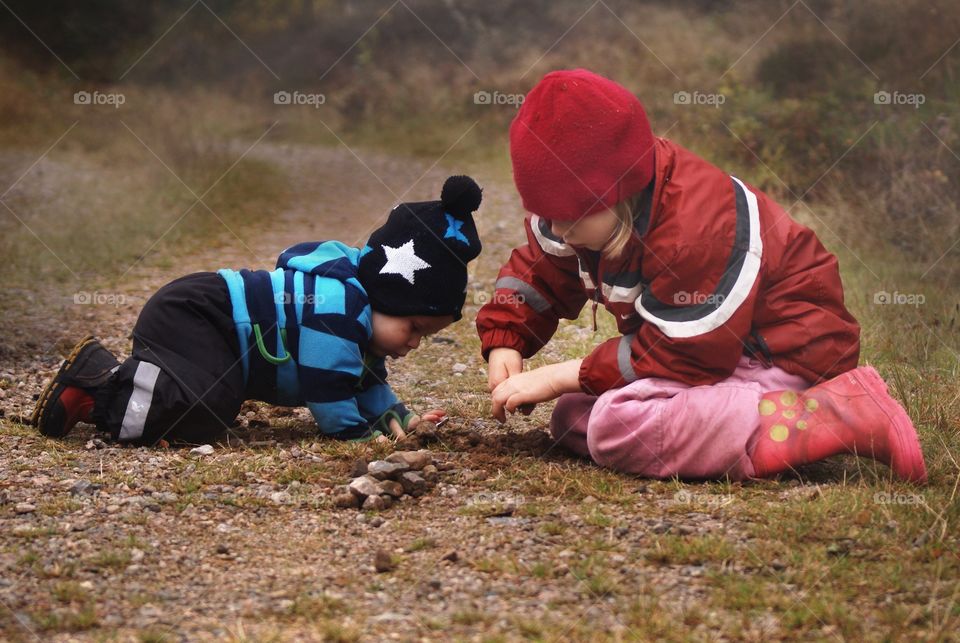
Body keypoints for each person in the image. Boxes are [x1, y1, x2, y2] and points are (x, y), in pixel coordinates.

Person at [476, 69, 926, 483]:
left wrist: (562, 375)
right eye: (545, 214)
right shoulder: (575, 219)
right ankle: (758, 426)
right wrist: (505, 339)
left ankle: (836, 412)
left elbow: (688, 351)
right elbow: (542, 270)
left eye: (569, 217)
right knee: (574, 418)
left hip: (775, 355)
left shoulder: (696, 228)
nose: (556, 229)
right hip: (711, 353)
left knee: (613, 424)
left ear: (619, 193)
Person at [33, 176, 483, 445]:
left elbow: (365, 383)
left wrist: (400, 418)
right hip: (201, 314)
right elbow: (328, 388)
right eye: (414, 326)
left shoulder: (362, 325)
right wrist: (354, 435)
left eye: (424, 334)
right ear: (385, 298)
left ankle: (135, 384)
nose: (414, 342)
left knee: (211, 412)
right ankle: (99, 385)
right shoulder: (341, 310)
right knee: (209, 407)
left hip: (209, 324)